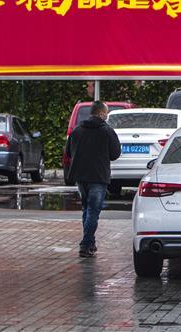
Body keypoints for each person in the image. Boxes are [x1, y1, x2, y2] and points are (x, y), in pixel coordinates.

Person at [66, 101, 121, 258]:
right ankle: (86, 244)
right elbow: (115, 154)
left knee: (86, 209)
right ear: (102, 113)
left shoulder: (77, 130)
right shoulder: (107, 131)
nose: (107, 116)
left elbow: (68, 152)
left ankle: (90, 243)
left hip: (80, 176)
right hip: (98, 176)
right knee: (93, 211)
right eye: (106, 113)